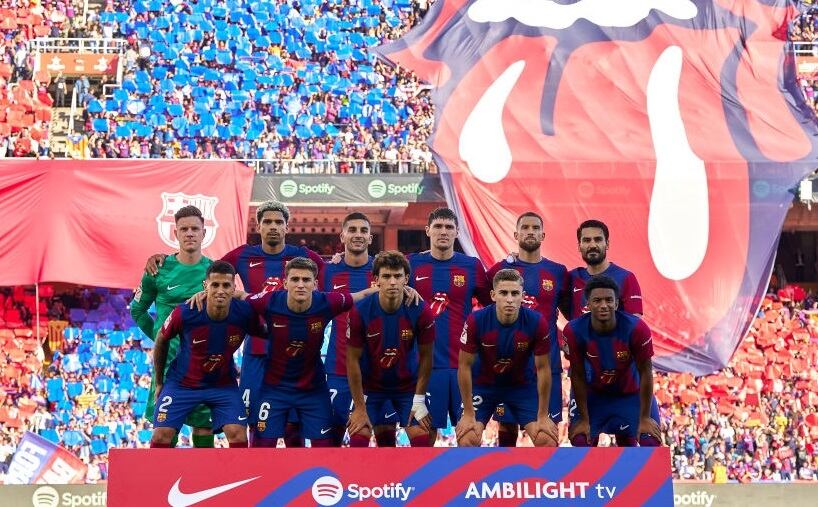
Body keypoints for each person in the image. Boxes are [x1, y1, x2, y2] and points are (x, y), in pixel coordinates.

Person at [147, 200, 324, 447]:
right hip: (257, 349)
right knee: (254, 419)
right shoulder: (242, 255)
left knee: (292, 421)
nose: (273, 227)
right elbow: (210, 270)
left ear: (286, 227)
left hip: (293, 349)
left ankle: (291, 479)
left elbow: (335, 275)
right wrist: (167, 261)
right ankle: (256, 475)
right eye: (267, 222)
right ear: (259, 227)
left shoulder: (303, 257)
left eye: (278, 222)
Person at [243, 257, 382, 447]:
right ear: (285, 283)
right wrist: (207, 293)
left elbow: (362, 295)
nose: (300, 285)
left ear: (315, 284)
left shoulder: (327, 301)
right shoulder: (269, 301)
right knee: (262, 448)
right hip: (274, 389)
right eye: (295, 279)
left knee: (325, 449)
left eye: (306, 280)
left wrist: (399, 289)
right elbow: (240, 296)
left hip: (313, 391)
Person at [150, 261, 263, 448]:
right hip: (182, 384)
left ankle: (237, 477)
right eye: (215, 285)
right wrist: (160, 381)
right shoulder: (186, 312)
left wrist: (249, 298)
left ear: (234, 287)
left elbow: (266, 330)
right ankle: (157, 477)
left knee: (238, 434)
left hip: (223, 385)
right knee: (161, 435)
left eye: (226, 285)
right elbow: (162, 339)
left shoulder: (244, 312)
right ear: (205, 286)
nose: (220, 290)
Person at [131, 205, 215, 447]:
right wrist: (161, 336)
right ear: (175, 233)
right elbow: (137, 309)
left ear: (204, 233)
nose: (190, 233)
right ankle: (164, 483)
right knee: (165, 431)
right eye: (184, 229)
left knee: (204, 426)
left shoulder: (214, 272)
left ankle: (206, 481)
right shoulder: (158, 269)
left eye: (195, 229)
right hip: (167, 365)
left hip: (203, 364)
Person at [487, 212, 570, 446]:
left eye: (535, 228)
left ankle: (548, 481)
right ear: (516, 234)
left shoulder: (557, 272)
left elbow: (570, 313)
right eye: (525, 228)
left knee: (547, 432)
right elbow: (484, 307)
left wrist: (568, 340)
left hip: (547, 365)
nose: (530, 231)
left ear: (543, 235)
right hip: (508, 366)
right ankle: (507, 481)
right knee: (507, 427)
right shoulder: (499, 271)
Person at [409, 207, 491, 440]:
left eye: (449, 227)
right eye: (438, 227)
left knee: (470, 438)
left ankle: (469, 478)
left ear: (457, 232)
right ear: (428, 231)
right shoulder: (412, 264)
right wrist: (339, 257)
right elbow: (380, 275)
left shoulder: (471, 266)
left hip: (462, 367)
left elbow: (492, 303)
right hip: (424, 368)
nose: (443, 232)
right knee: (421, 440)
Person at [455, 269, 558, 447]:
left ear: (523, 296)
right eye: (503, 293)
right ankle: (475, 475)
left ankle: (536, 476)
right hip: (483, 387)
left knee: (547, 440)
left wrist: (542, 416)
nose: (509, 299)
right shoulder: (476, 320)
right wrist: (469, 414)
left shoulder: (536, 321)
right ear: (493, 295)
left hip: (522, 387)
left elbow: (543, 369)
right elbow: (464, 366)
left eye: (515, 293)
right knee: (467, 439)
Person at [322, 212, 398, 446]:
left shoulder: (385, 273)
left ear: (370, 238)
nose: (358, 235)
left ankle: (389, 483)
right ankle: (332, 483)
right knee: (331, 438)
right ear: (342, 235)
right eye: (352, 230)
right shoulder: (327, 271)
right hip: (338, 369)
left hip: (379, 372)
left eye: (364, 230)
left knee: (385, 437)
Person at [346, 251, 436, 447]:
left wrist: (419, 399)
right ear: (376, 279)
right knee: (357, 438)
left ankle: (413, 479)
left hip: (407, 388)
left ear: (406, 279)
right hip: (371, 388)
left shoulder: (420, 309)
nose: (393, 282)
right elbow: (352, 359)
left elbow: (427, 356)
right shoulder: (360, 310)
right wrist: (360, 407)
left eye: (397, 276)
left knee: (424, 439)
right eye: (387, 276)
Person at [564, 275, 661, 447]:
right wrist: (584, 419)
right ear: (588, 304)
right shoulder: (574, 330)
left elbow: (646, 372)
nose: (603, 305)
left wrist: (645, 418)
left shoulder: (637, 328)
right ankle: (589, 474)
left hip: (631, 395)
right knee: (580, 440)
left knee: (650, 441)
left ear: (616, 304)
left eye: (609, 300)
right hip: (594, 396)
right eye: (597, 300)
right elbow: (577, 374)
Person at [568, 220, 642, 319]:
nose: (593, 245)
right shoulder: (570, 278)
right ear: (579, 246)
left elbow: (635, 326)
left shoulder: (626, 277)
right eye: (586, 240)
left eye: (598, 240)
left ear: (607, 244)